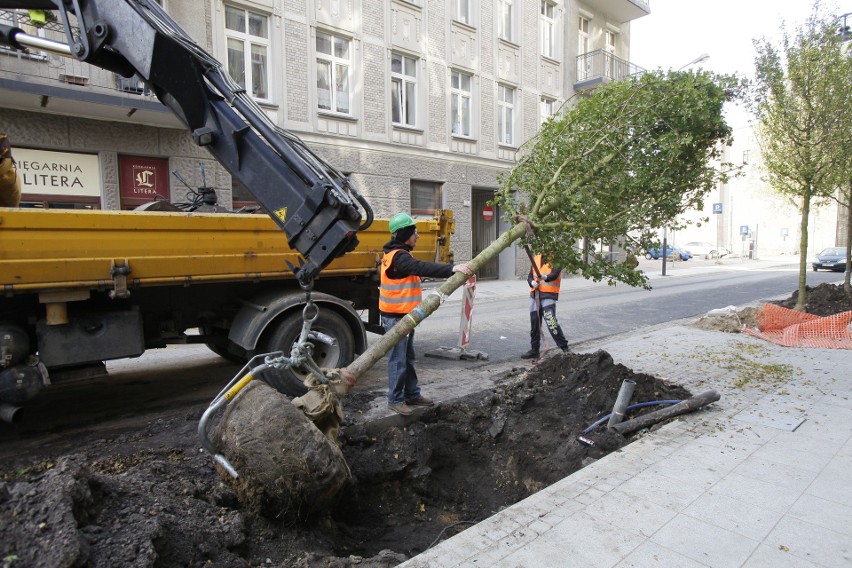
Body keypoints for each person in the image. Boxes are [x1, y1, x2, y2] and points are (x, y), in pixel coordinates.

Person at [380, 212, 472, 415]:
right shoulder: (399, 257)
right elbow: (421, 267)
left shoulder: (397, 254)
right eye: (414, 232)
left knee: (408, 358)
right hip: (396, 318)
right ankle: (395, 400)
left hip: (404, 316)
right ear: (404, 233)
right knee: (398, 360)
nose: (418, 236)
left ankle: (412, 394)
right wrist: (452, 268)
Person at [522, 252, 569, 359]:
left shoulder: (556, 258)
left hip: (548, 295)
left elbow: (554, 274)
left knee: (551, 322)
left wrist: (545, 277)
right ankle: (534, 350)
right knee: (535, 324)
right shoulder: (536, 258)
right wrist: (531, 282)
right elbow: (530, 275)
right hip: (535, 295)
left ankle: (565, 347)